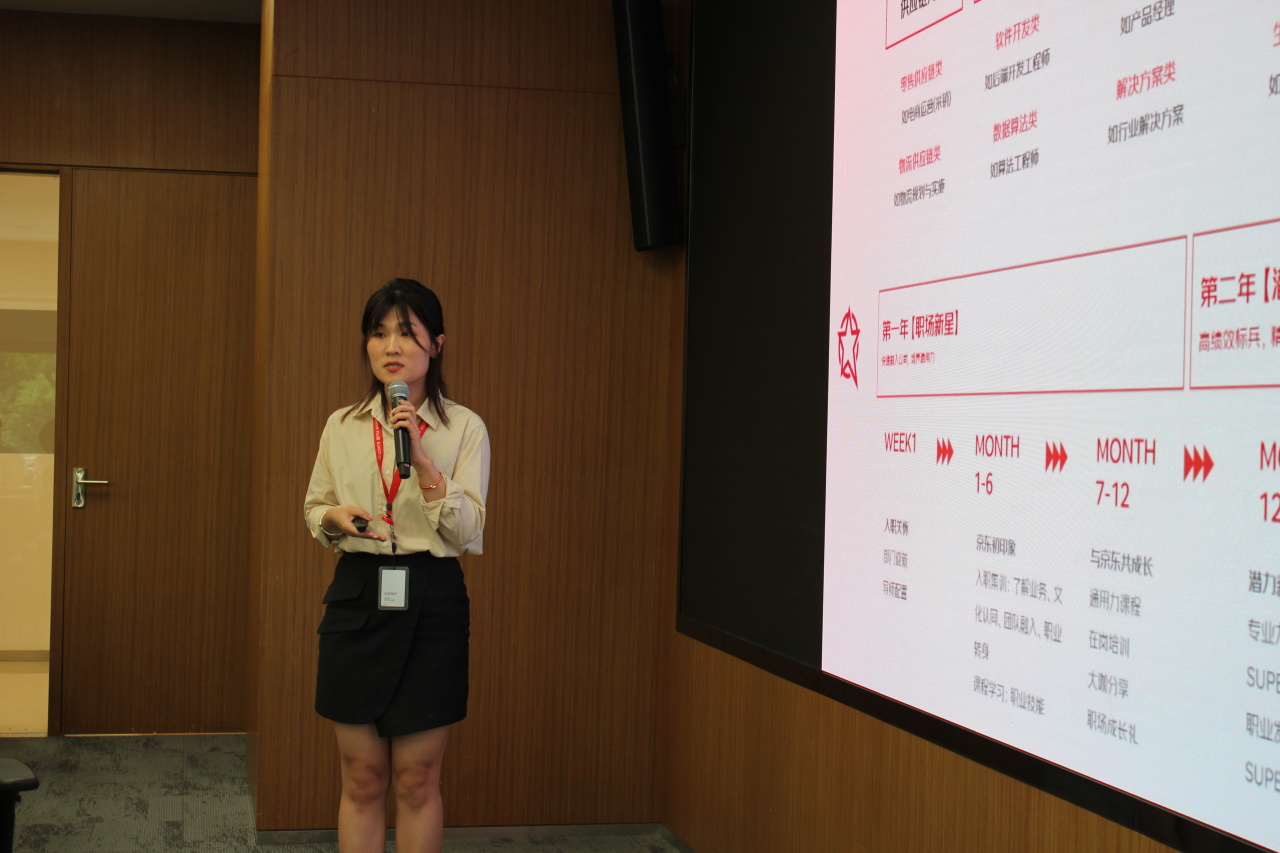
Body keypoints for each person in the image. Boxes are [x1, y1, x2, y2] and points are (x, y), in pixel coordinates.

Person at [303, 278, 490, 853]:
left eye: (407, 333)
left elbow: (468, 530)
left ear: (437, 344)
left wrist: (427, 467)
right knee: (363, 776)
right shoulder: (342, 425)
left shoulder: (464, 427)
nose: (391, 346)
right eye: (378, 333)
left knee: (416, 778)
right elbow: (315, 508)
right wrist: (335, 518)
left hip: (432, 602)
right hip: (359, 597)